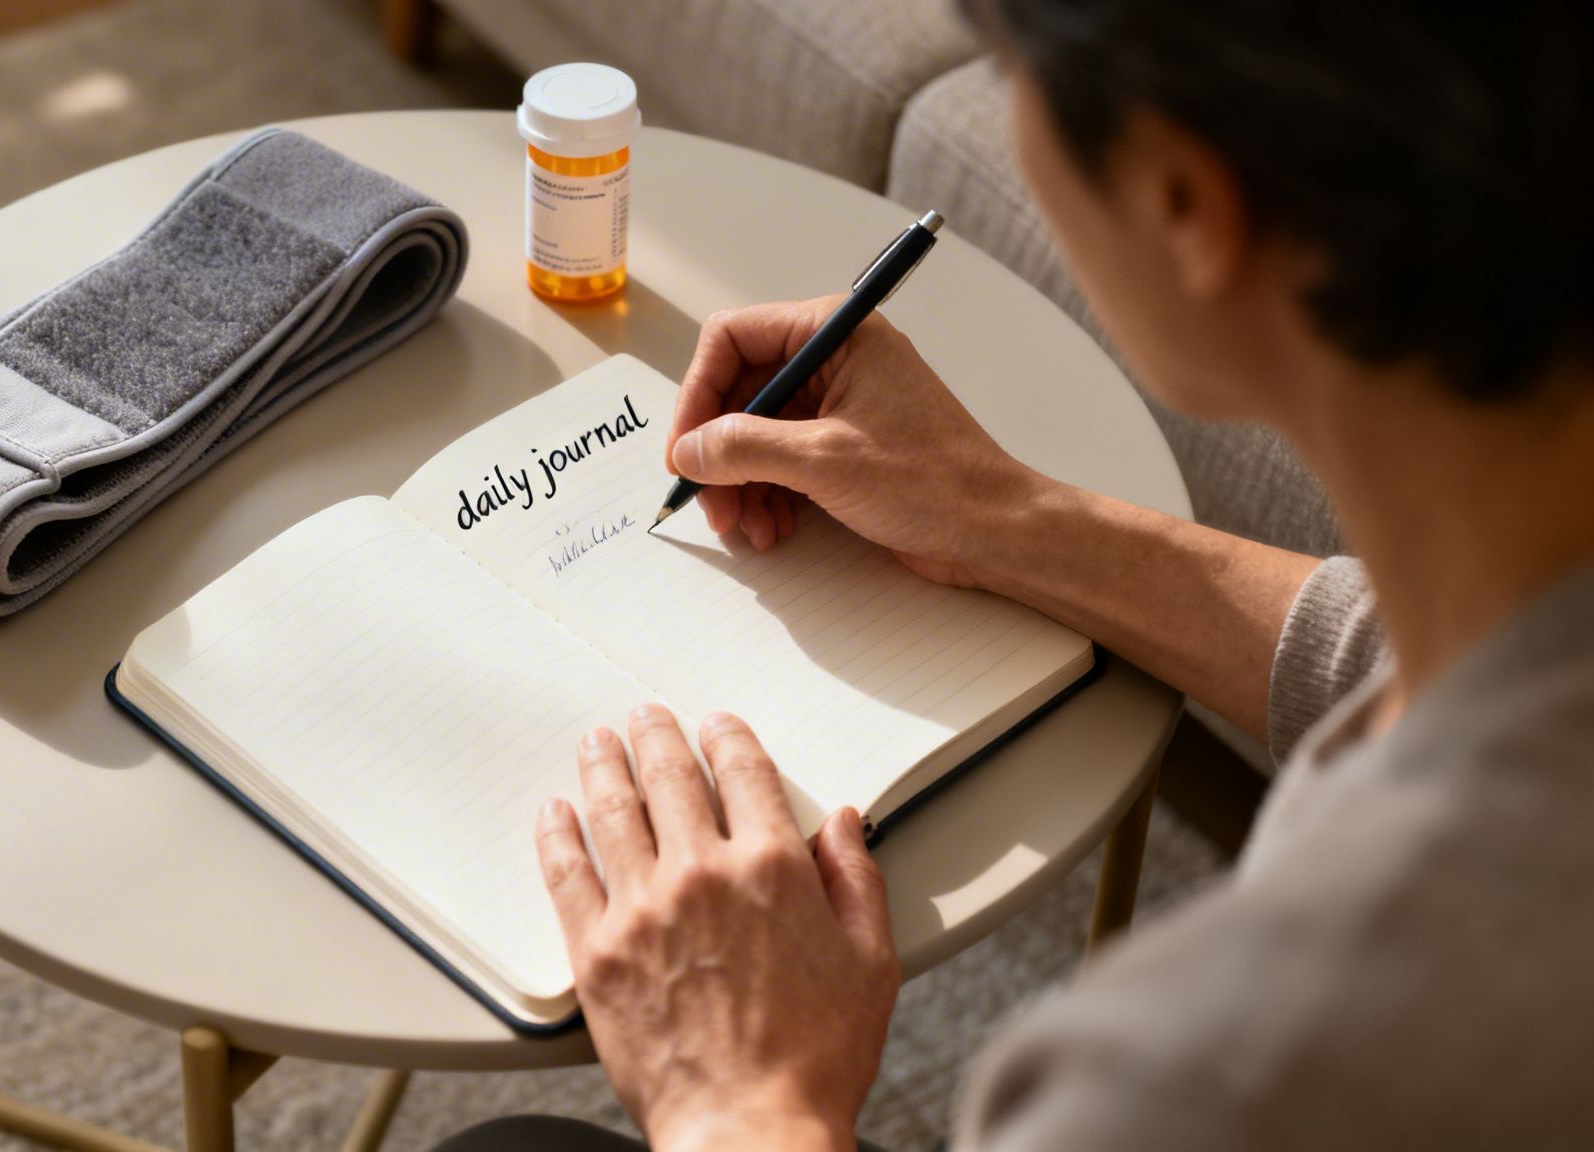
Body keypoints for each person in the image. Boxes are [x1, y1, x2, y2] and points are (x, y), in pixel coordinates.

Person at [436, 1, 1594, 1149]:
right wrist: (997, 514)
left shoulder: (1184, 1080)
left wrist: (734, 1100)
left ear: (1182, 200)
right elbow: (1406, 660)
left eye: (1009, 81)